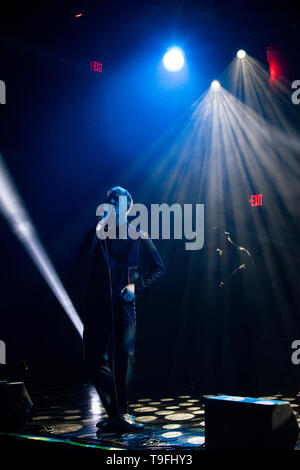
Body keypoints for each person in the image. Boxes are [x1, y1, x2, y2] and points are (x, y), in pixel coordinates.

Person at [79, 186, 164, 432]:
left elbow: (159, 268)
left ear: (129, 208)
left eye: (122, 204)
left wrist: (137, 287)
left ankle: (122, 412)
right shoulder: (99, 234)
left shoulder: (138, 235)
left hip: (124, 304)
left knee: (124, 357)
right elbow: (82, 254)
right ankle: (117, 412)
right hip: (97, 304)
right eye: (113, 204)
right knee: (94, 359)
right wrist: (98, 228)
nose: (118, 208)